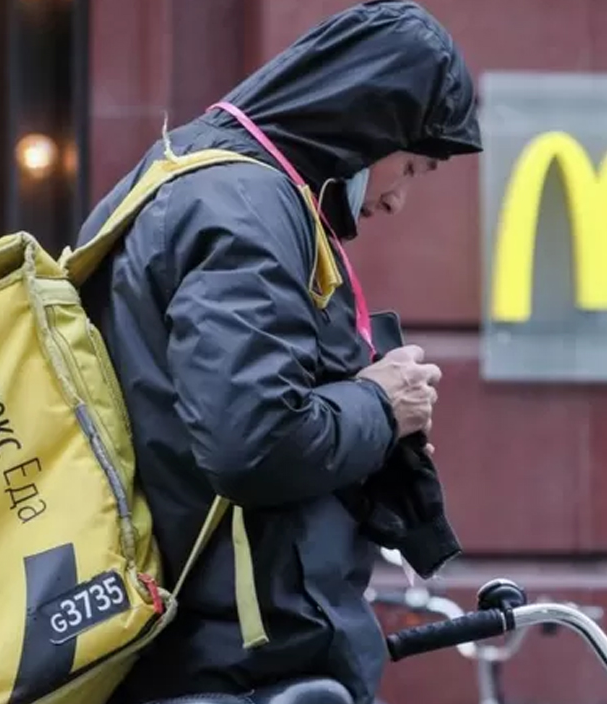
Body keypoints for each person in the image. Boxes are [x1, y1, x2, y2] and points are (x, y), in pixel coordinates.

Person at [75, 2, 481, 703]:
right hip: (244, 669)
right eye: (411, 166)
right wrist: (381, 404)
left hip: (209, 656)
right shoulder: (243, 208)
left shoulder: (195, 181)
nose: (398, 200)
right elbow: (254, 442)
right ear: (368, 124)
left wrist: (370, 420)